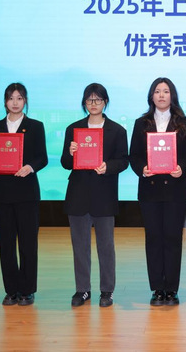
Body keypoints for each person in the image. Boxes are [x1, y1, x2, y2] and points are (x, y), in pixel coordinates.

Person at [61, 83, 129, 308]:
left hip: (104, 195)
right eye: (90, 100)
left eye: (98, 100)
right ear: (84, 103)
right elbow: (65, 163)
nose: (94, 104)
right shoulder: (74, 129)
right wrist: (70, 152)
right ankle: (82, 290)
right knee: (80, 246)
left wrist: (108, 167)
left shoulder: (117, 131)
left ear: (105, 102)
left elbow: (123, 161)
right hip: (78, 195)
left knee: (106, 246)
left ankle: (107, 290)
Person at [129, 77, 186, 306]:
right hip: (150, 190)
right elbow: (134, 155)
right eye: (157, 91)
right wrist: (142, 169)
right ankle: (157, 288)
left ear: (172, 95)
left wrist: (182, 168)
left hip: (176, 190)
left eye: (166, 91)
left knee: (173, 238)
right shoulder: (141, 123)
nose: (161, 95)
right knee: (154, 238)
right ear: (151, 96)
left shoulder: (183, 123)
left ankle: (172, 289)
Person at [0, 83, 48, 306]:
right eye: (11, 98)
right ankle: (11, 290)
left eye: (19, 98)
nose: (15, 102)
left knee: (28, 243)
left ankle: (27, 290)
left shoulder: (35, 126)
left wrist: (30, 167)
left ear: (25, 101)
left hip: (27, 192)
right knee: (6, 243)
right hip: (2, 193)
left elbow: (42, 157)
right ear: (5, 101)